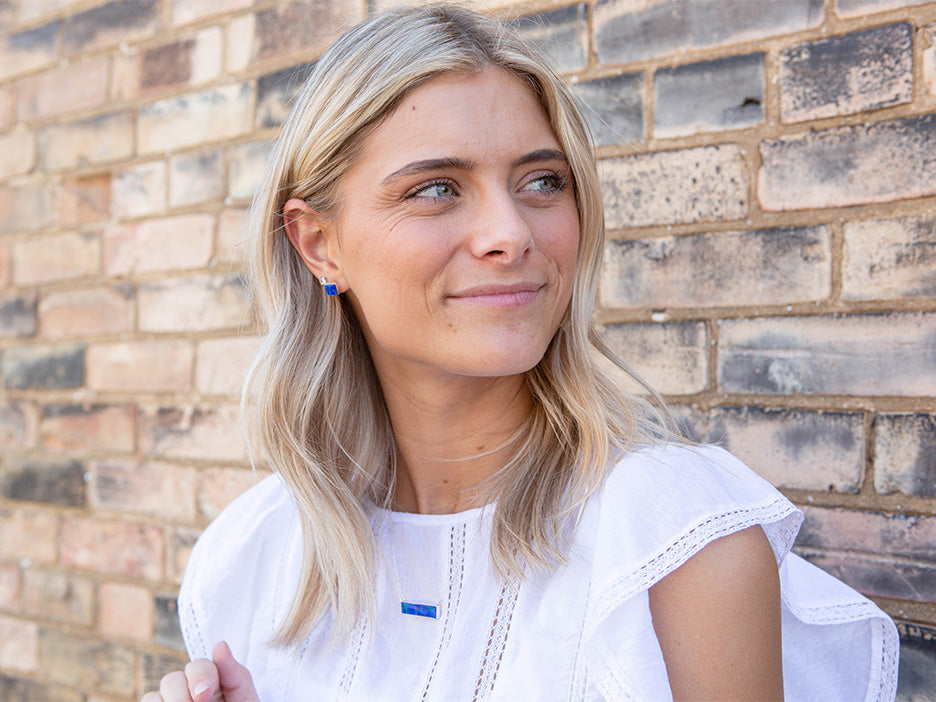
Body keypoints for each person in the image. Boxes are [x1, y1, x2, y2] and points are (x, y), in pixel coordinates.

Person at [142, 5, 898, 701]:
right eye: (436, 188)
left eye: (543, 181)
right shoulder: (247, 561)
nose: (511, 231)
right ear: (319, 244)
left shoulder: (673, 539)